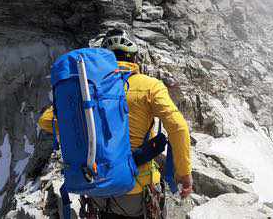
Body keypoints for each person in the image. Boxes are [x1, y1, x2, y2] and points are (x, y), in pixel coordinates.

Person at [38, 29, 193, 218]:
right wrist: (184, 174)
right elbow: (178, 127)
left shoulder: (88, 90)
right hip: (136, 193)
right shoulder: (149, 85)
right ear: (134, 58)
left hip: (96, 190)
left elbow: (46, 122)